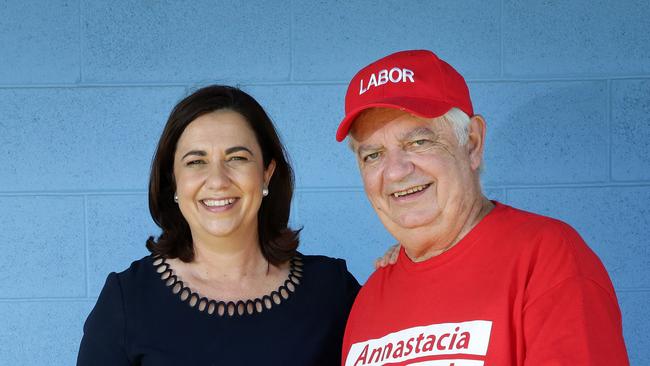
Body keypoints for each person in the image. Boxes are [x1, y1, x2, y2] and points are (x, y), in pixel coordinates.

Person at [336, 50, 629, 365]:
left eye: (419, 143)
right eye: (373, 155)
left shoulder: (546, 257)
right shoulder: (370, 298)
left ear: (472, 143)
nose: (395, 171)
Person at [78, 85, 370, 365]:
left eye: (237, 158)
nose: (217, 180)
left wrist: (408, 256)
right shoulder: (128, 302)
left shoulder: (331, 291)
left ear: (267, 173)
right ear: (174, 180)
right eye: (196, 162)